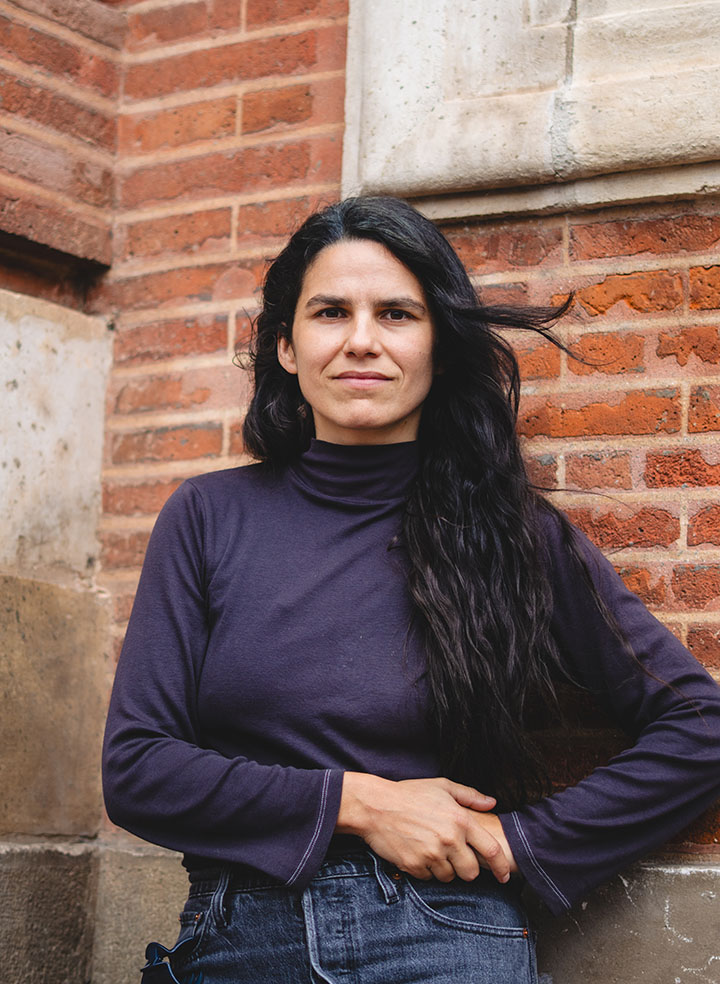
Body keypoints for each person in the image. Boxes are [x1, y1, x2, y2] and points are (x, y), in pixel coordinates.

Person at [102, 196, 720, 984]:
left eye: (396, 314)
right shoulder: (207, 517)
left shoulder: (514, 534)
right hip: (240, 935)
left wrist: (520, 844)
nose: (362, 340)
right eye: (331, 312)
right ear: (286, 346)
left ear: (440, 347)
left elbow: (700, 726)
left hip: (448, 933)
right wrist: (361, 803)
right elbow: (139, 769)